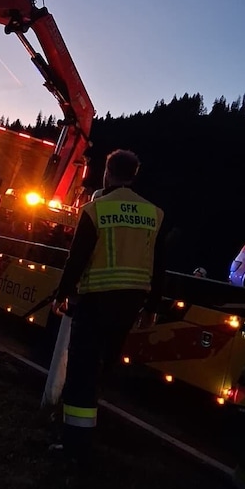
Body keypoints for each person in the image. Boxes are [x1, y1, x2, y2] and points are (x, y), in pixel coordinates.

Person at [51, 149, 165, 461]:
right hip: (130, 304)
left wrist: (62, 293)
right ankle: (89, 432)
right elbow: (159, 265)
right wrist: (152, 306)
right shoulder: (154, 213)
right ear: (134, 174)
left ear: (107, 172)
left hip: (96, 301)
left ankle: (75, 445)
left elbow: (77, 257)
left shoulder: (95, 209)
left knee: (81, 373)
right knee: (103, 367)